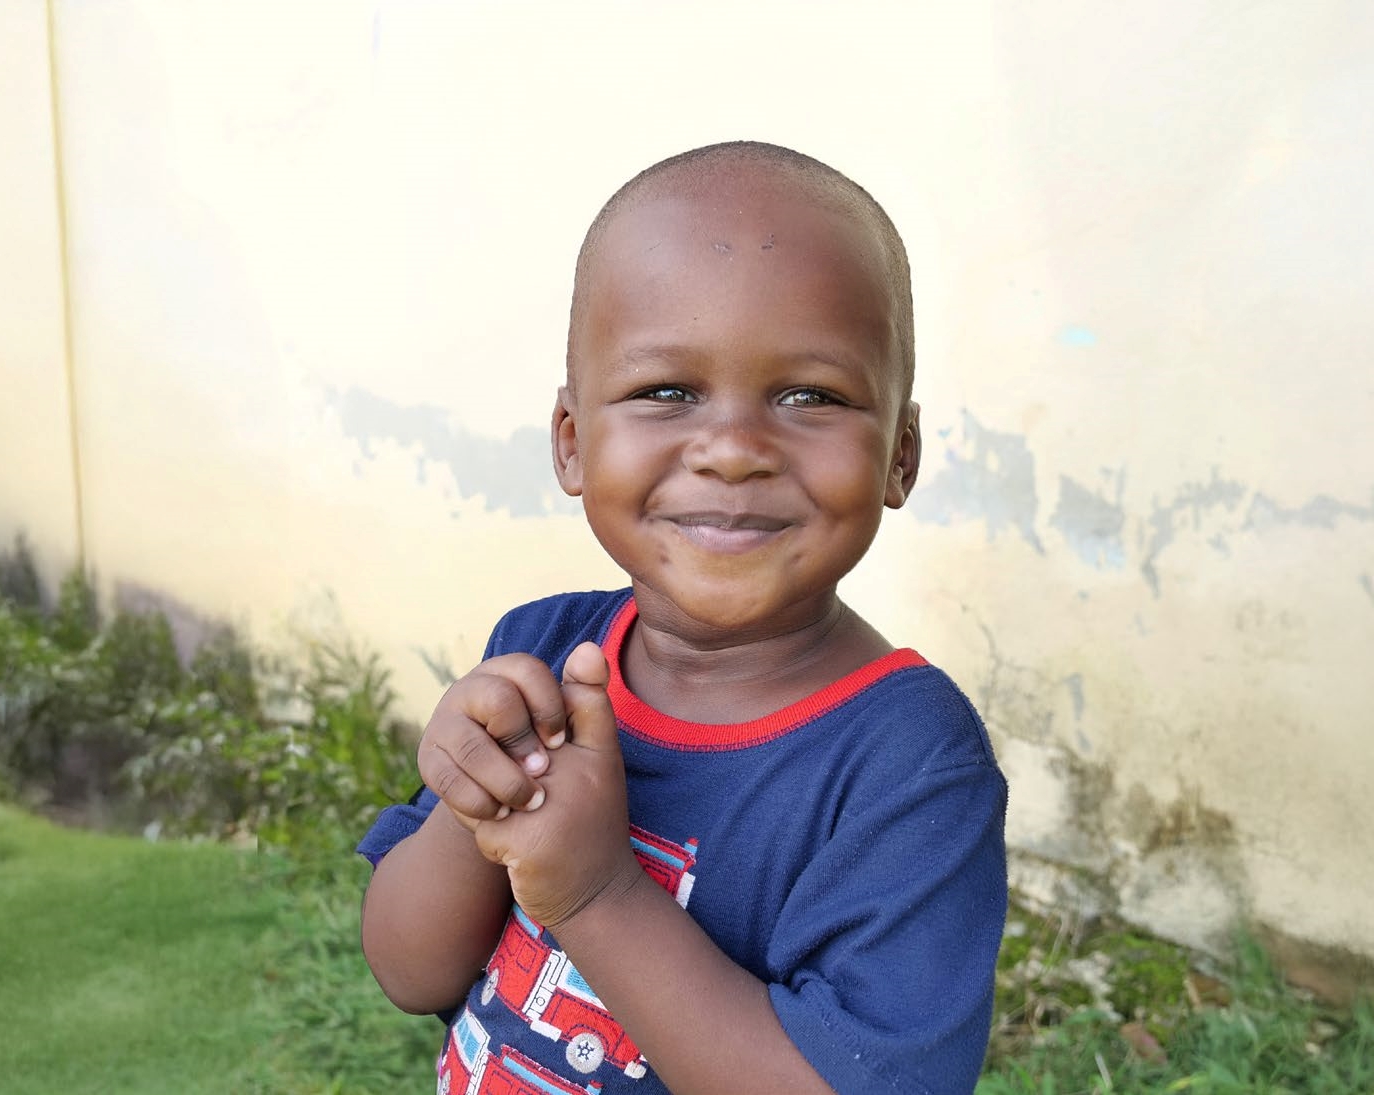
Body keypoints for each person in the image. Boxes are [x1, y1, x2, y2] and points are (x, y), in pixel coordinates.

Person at [358, 141, 1007, 1095]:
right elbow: (410, 970)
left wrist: (595, 891)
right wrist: (477, 810)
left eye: (811, 395)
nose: (735, 449)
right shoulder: (541, 656)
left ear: (900, 454)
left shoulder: (906, 765)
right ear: (573, 442)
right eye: (667, 391)